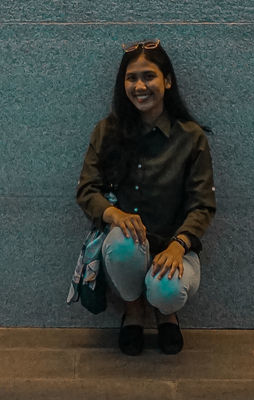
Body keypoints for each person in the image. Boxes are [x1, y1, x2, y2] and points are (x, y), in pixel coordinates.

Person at [76, 39, 215, 355]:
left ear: (167, 81)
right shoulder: (107, 131)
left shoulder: (191, 137)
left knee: (167, 291)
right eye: (131, 77)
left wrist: (179, 246)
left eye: (149, 76)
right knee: (123, 242)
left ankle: (166, 313)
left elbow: (203, 204)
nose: (140, 86)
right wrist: (116, 215)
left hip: (175, 245)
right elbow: (87, 190)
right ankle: (134, 309)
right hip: (128, 244)